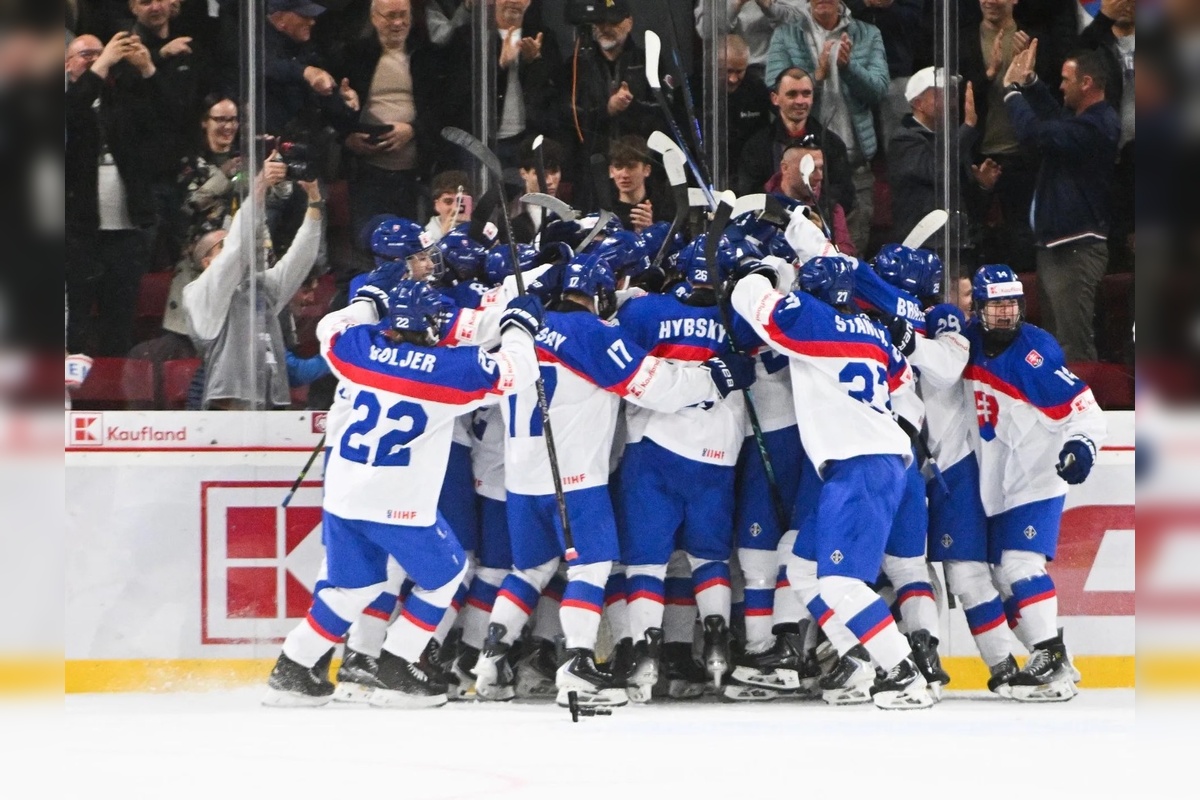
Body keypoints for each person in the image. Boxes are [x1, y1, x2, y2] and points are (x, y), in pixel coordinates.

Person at [470, 253, 754, 708]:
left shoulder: (517, 328)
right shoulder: (594, 336)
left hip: (521, 480)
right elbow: (655, 386)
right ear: (599, 296)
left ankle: (490, 659)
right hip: (575, 480)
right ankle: (579, 663)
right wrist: (714, 379)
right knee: (591, 568)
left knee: (530, 570)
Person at [263, 277, 546, 707]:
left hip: (343, 497)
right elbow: (516, 371)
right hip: (399, 505)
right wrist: (519, 327)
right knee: (447, 574)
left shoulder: (357, 351)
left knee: (350, 588)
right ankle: (397, 665)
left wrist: (367, 302)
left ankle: (293, 666)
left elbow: (331, 329)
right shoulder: (451, 371)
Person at [729, 211, 934, 710]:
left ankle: (903, 673)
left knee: (841, 582)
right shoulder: (872, 331)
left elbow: (748, 303)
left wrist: (767, 266)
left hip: (859, 467)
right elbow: (902, 383)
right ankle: (857, 660)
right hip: (870, 462)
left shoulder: (812, 318)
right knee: (802, 567)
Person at [612, 240, 752, 700]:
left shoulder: (644, 312)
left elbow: (608, 349)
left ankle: (646, 651)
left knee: (647, 562)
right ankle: (715, 637)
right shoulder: (740, 318)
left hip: (654, 450)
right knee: (708, 556)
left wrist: (632, 292)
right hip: (717, 455)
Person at [962, 264, 1106, 701]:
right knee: (1004, 576)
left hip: (1038, 474)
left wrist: (1081, 446)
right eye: (996, 305)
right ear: (978, 308)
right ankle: (1055, 660)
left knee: (1022, 566)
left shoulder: (1035, 354)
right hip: (999, 479)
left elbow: (1086, 410)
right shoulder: (966, 344)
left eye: (1012, 304)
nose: (1005, 314)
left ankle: (1050, 654)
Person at [1003, 42, 1120, 361]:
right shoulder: (1084, 122)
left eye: (1066, 79)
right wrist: (1030, 83)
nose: (1061, 85)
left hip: (1076, 248)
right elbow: (1056, 122)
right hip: (1060, 246)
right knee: (1056, 343)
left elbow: (1038, 134)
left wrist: (1012, 93)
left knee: (1073, 343)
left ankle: (1086, 408)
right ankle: (1058, 407)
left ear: (1087, 82)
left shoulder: (1099, 123)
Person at [181, 164, 321, 410]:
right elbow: (237, 247)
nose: (234, 246)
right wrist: (259, 186)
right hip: (226, 409)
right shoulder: (200, 294)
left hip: (271, 406)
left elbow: (301, 257)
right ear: (206, 262)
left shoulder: (261, 287)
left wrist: (314, 201)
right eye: (220, 246)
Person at [65, 30, 164, 358]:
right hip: (79, 232)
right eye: (86, 54)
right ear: (66, 65)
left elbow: (162, 122)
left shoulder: (119, 96)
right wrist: (104, 62)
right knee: (74, 321)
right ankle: (70, 399)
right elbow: (73, 115)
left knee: (119, 322)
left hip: (126, 232)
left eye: (100, 52)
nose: (96, 58)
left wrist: (147, 69)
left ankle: (115, 400)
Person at [765, 0, 889, 254]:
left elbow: (878, 90)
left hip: (854, 168)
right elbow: (773, 87)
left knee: (850, 258)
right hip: (798, 173)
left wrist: (848, 68)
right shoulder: (786, 34)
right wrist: (817, 76)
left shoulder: (868, 34)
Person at [340, 0, 439, 234]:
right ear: (374, 18)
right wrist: (348, 138)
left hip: (417, 174)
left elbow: (443, 110)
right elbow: (331, 112)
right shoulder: (353, 56)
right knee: (369, 241)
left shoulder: (427, 56)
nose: (398, 23)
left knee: (415, 245)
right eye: (390, 16)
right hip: (367, 174)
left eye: (403, 15)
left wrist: (412, 130)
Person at [888, 67, 997, 263]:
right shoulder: (904, 141)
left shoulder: (953, 140)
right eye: (942, 94)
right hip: (923, 249)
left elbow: (968, 204)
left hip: (958, 245)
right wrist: (968, 128)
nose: (951, 101)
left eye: (953, 94)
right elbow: (937, 172)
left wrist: (981, 185)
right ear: (918, 103)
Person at [565, 0, 660, 208]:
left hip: (638, 170)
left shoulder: (648, 61)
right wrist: (607, 109)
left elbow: (663, 116)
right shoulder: (577, 64)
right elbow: (569, 117)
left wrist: (630, 106)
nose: (606, 28)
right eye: (600, 22)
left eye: (614, 22)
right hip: (593, 168)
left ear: (629, 22)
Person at [736, 66, 854, 218]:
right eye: (792, 94)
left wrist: (811, 215)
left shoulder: (831, 144)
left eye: (806, 94)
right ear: (775, 98)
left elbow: (844, 194)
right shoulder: (757, 146)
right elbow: (749, 195)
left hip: (819, 230)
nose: (800, 101)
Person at [696, 1, 805, 83]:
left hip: (774, 75)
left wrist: (769, 7)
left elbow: (801, 27)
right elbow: (706, 32)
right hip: (725, 78)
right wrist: (735, 5)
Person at [777, 139, 855, 255]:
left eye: (821, 168)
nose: (819, 177)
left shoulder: (831, 209)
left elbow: (848, 253)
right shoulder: (761, 204)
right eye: (811, 169)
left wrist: (820, 237)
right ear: (785, 168)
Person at [720, 35, 773, 169]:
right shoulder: (695, 90)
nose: (733, 79)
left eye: (739, 72)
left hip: (749, 169)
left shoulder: (757, 89)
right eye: (728, 71)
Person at [608, 135, 671, 233]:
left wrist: (650, 230)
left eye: (631, 166)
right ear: (611, 171)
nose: (624, 175)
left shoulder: (663, 209)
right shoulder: (605, 212)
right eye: (618, 166)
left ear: (646, 170)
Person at [424, 170, 473, 243]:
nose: (455, 208)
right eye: (448, 202)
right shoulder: (425, 236)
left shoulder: (480, 232)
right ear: (436, 205)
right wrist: (443, 236)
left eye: (461, 201)